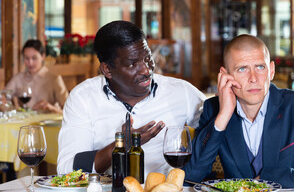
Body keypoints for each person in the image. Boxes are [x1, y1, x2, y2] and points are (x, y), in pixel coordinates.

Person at [184, 34, 294, 191]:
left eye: (260, 67)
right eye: (242, 69)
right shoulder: (214, 109)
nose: (253, 78)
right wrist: (223, 116)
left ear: (271, 70)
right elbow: (190, 177)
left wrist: (268, 180)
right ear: (226, 75)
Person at [57, 21, 205, 177]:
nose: (146, 70)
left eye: (148, 58)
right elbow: (67, 169)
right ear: (107, 69)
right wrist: (121, 146)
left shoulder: (181, 92)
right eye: (132, 64)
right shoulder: (83, 98)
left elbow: (216, 128)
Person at [5, 39, 68, 113]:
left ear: (43, 56)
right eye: (26, 58)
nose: (30, 63)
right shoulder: (18, 78)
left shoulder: (54, 79)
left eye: (34, 58)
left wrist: (51, 108)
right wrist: (3, 101)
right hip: (24, 123)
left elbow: (69, 110)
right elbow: (4, 95)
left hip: (47, 123)